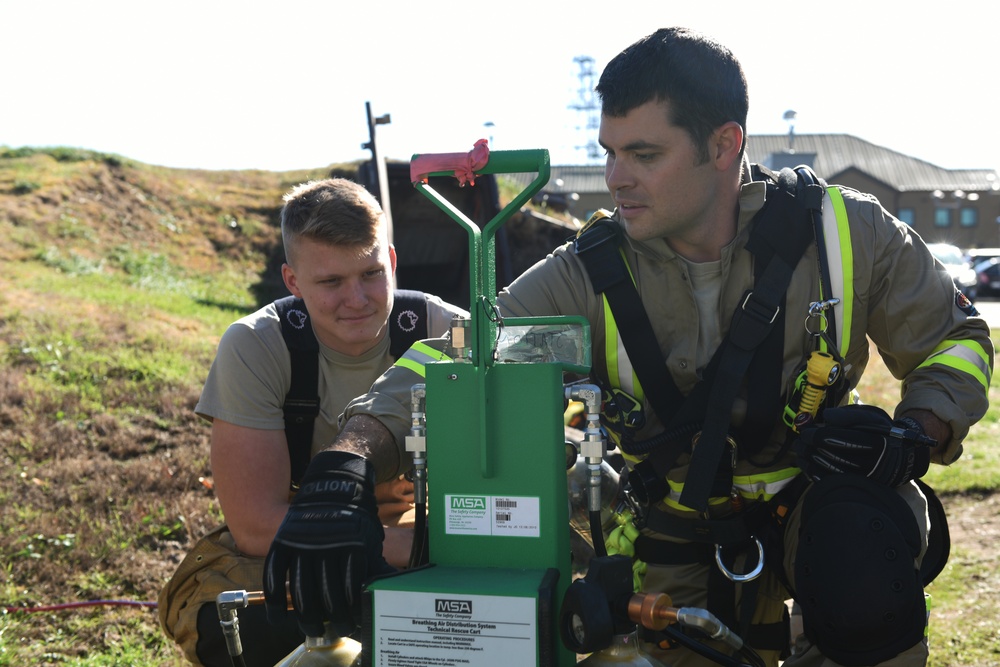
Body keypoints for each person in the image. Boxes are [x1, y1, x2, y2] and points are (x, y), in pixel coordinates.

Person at [261, 29, 993, 667]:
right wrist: (345, 462)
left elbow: (956, 340)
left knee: (863, 560)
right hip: (664, 530)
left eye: (643, 153)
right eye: (610, 152)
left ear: (723, 144)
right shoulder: (584, 271)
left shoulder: (845, 233)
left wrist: (908, 436)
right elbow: (456, 361)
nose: (616, 177)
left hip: (820, 509)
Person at [159, 177, 468, 667]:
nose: (358, 299)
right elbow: (257, 526)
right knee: (234, 623)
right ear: (293, 282)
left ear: (391, 261)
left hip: (429, 533)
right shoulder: (256, 346)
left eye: (370, 274)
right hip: (308, 538)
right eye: (330, 282)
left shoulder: (451, 335)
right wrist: (406, 549)